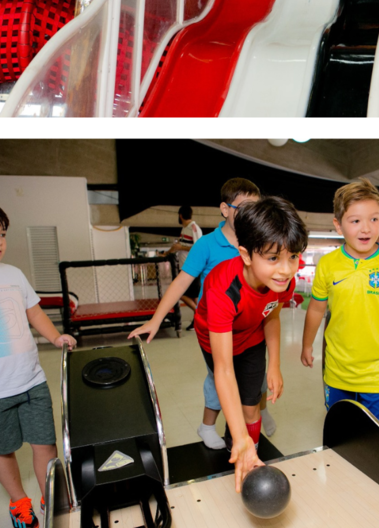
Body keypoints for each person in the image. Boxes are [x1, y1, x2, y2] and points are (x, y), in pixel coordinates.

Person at [0, 198, 77, 528]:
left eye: (3, 234)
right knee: (2, 449)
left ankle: (50, 496)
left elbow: (33, 311)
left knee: (44, 444)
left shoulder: (13, 274)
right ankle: (18, 502)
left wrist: (55, 337)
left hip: (31, 381)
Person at [129, 178, 272, 449]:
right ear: (225, 209)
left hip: (249, 326)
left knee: (254, 378)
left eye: (256, 207)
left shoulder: (257, 242)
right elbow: (181, 283)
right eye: (243, 207)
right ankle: (209, 426)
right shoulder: (207, 244)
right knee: (221, 376)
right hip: (216, 327)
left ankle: (251, 419)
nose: (250, 213)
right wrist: (156, 319)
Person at [195, 196, 302, 491]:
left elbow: (272, 316)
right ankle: (239, 442)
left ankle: (249, 454)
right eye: (273, 258)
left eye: (293, 256)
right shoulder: (222, 287)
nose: (285, 269)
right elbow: (224, 369)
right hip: (217, 339)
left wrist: (276, 366)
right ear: (245, 255)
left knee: (251, 406)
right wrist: (238, 435)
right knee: (230, 394)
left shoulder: (283, 281)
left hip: (253, 335)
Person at [301, 180, 379, 433]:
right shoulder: (328, 264)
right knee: (342, 430)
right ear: (338, 224)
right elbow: (316, 309)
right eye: (355, 221)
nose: (366, 229)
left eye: (374, 219)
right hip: (337, 368)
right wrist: (307, 344)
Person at [167, 206, 203, 330]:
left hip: (192, 267)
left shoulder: (194, 228)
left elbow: (198, 248)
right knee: (194, 297)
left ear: (180, 215)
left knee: (180, 294)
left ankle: (201, 315)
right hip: (186, 267)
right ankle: (197, 321)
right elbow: (180, 247)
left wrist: (180, 248)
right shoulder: (184, 229)